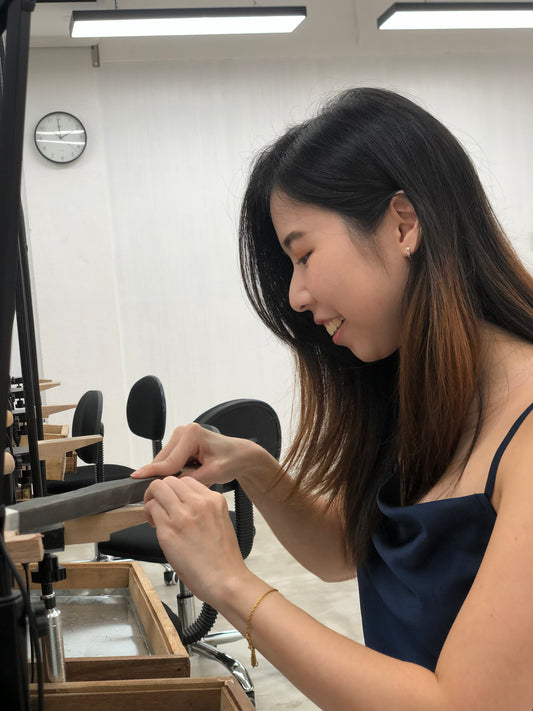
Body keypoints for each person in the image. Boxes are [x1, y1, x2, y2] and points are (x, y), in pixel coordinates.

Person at [132, 87, 533, 710]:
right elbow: (344, 549)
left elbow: (458, 703)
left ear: (403, 223)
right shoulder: (425, 395)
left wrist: (230, 583)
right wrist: (254, 469)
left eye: (303, 255)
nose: (295, 296)